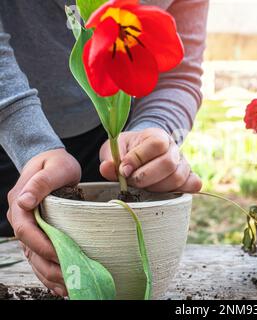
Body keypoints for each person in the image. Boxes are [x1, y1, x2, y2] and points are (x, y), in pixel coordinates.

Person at [0, 0, 208, 296]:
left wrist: (157, 131)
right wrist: (30, 143)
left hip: (111, 132)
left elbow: (178, 72)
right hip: (8, 128)